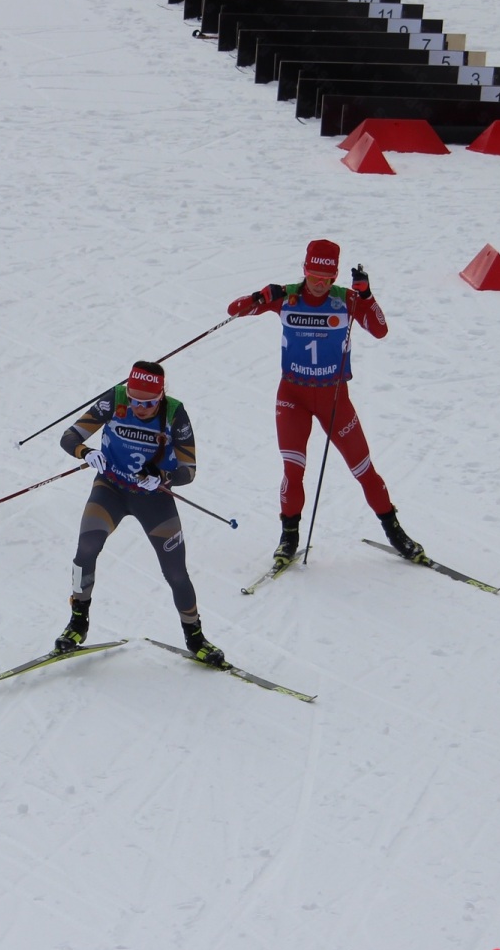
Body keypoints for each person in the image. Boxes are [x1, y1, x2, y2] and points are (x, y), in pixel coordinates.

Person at [226, 239, 425, 568]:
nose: (320, 284)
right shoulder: (287, 296)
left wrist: (366, 296)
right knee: (293, 470)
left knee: (364, 470)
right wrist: (260, 296)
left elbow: (380, 330)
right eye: (314, 276)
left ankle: (396, 533)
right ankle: (289, 537)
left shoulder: (345, 300)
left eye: (327, 278)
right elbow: (234, 310)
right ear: (304, 270)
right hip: (292, 396)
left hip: (334, 398)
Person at [52, 360, 228, 665]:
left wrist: (162, 478)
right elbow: (69, 436)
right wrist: (87, 452)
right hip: (110, 490)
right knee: (86, 550)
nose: (138, 407)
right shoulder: (115, 399)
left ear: (161, 396)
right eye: (134, 399)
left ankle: (195, 637)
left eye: (147, 403)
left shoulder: (175, 413)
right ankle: (77, 624)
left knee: (175, 572)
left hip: (154, 498)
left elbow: (190, 470)